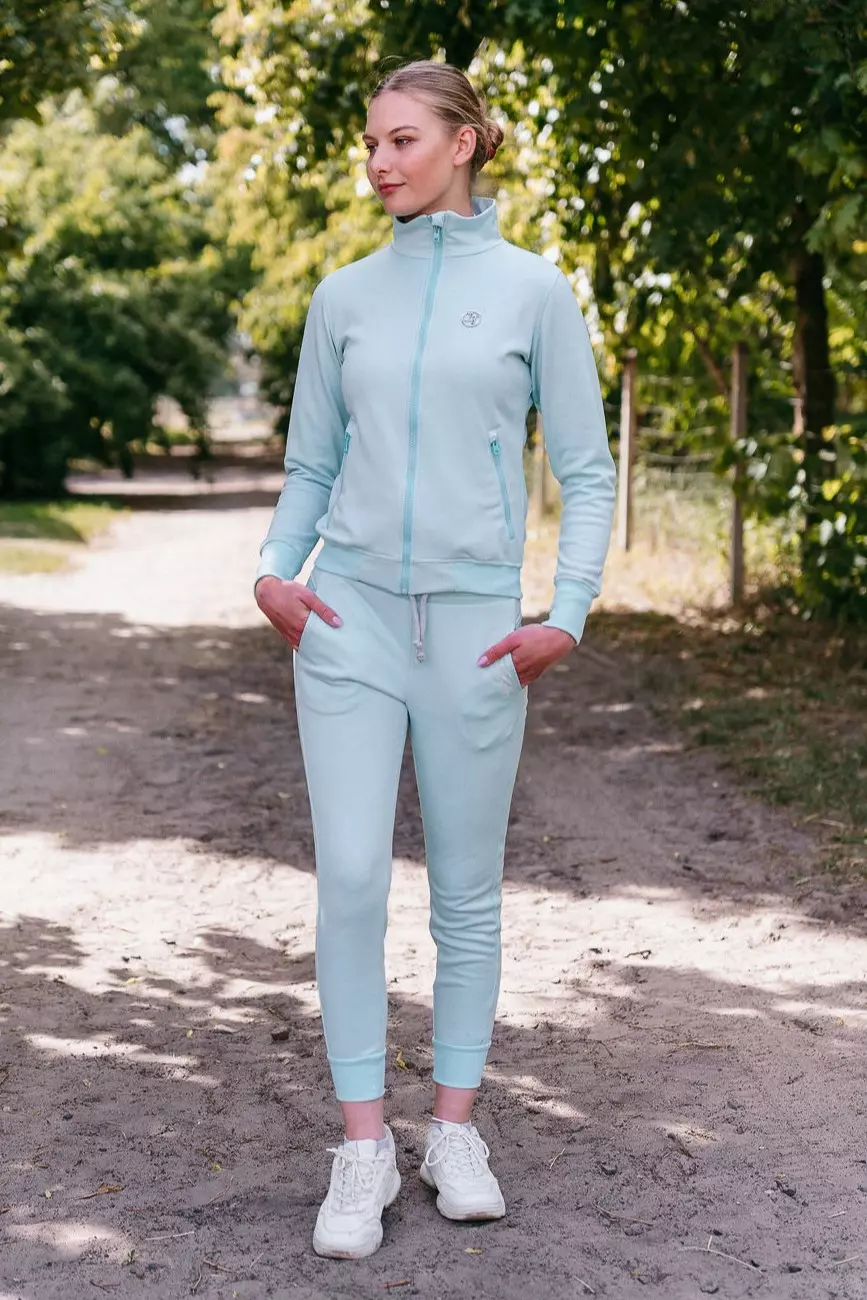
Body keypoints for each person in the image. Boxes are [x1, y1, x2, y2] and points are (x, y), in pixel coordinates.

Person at [254, 59, 616, 1260]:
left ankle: (453, 1131)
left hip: (476, 633)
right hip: (347, 619)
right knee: (354, 878)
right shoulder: (343, 297)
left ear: (464, 143)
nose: (379, 162)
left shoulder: (535, 294)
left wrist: (567, 613)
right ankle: (362, 1146)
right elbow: (311, 465)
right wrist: (275, 571)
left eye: (402, 139)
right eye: (371, 143)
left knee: (466, 890)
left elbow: (587, 469)